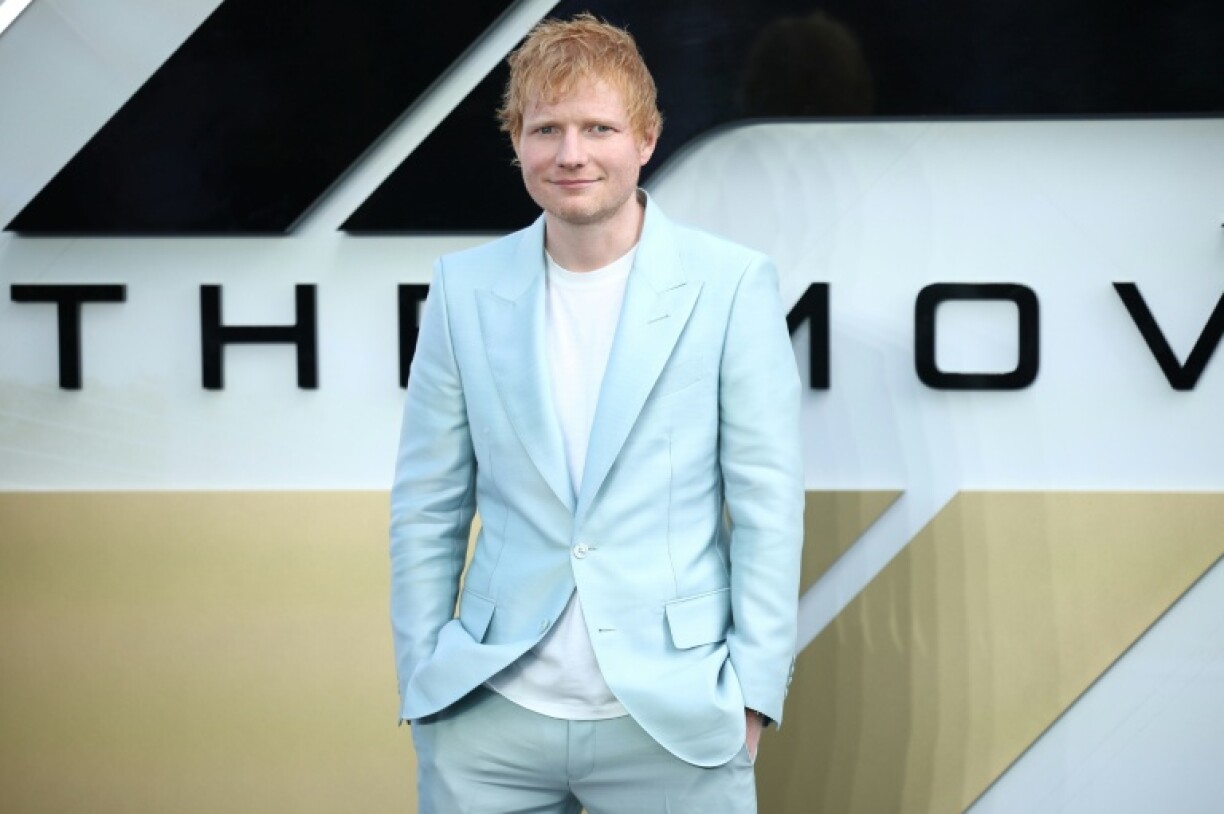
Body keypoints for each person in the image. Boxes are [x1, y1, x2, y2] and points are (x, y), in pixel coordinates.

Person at [389, 13, 804, 813]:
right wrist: (424, 678)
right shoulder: (463, 289)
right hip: (487, 718)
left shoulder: (730, 285)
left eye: (598, 128)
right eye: (546, 128)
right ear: (517, 141)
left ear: (646, 138)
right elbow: (427, 504)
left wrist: (751, 696)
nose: (570, 154)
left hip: (677, 719)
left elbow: (767, 504)